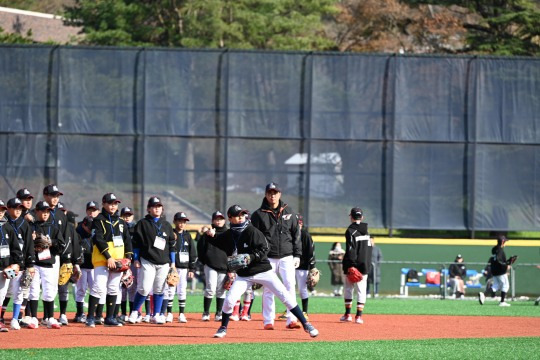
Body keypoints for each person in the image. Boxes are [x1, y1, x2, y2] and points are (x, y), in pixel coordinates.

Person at [205, 204, 318, 339]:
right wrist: (209, 235)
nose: (241, 217)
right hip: (244, 275)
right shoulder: (229, 234)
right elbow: (217, 241)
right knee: (229, 301)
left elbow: (265, 248)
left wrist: (250, 257)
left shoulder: (252, 231)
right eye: (237, 215)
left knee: (285, 295)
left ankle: (306, 324)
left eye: (242, 214)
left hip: (263, 271)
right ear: (230, 218)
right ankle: (223, 327)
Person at [250, 182, 302, 330]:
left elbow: (296, 234)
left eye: (275, 192)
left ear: (280, 194)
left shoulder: (289, 212)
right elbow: (254, 237)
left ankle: (291, 319)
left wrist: (297, 254)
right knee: (268, 288)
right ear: (266, 194)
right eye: (270, 193)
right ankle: (268, 321)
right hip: (268, 257)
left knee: (290, 286)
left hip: (287, 255)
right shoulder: (258, 215)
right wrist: (257, 257)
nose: (273, 195)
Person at [85, 193, 132, 328]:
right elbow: (98, 239)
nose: (113, 206)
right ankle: (90, 318)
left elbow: (127, 241)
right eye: (110, 203)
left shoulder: (121, 222)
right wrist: (108, 257)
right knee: (98, 287)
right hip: (102, 259)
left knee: (113, 289)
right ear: (104, 204)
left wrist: (128, 259)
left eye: (115, 203)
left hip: (118, 261)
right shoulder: (98, 220)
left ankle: (110, 317)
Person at [128, 196, 176, 325]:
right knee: (144, 288)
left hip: (164, 262)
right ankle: (134, 312)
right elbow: (136, 243)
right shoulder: (142, 223)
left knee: (159, 289)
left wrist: (173, 262)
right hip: (147, 260)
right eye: (154, 206)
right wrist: (136, 259)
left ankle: (157, 315)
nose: (157, 208)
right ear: (149, 209)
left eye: (159, 206)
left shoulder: (166, 225)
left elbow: (172, 244)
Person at [28, 200, 65, 329]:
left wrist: (51, 242)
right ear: (37, 211)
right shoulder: (31, 227)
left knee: (49, 292)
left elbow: (61, 246)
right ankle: (33, 317)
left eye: (47, 211)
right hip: (35, 264)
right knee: (33, 291)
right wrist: (32, 241)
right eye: (42, 211)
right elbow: (26, 246)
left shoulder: (54, 228)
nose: (45, 213)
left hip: (49, 263)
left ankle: (49, 317)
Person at [2, 197, 35, 330]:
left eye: (20, 208)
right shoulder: (4, 223)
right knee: (5, 291)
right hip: (6, 264)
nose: (18, 210)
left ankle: (15, 318)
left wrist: (30, 264)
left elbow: (29, 245)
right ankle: (1, 317)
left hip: (18, 265)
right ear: (8, 209)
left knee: (19, 291)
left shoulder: (24, 224)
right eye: (15, 208)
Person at [341, 207, 372, 324]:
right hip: (365, 265)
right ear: (362, 217)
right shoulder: (368, 232)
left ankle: (347, 315)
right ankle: (359, 316)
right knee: (361, 290)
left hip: (352, 264)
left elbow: (351, 250)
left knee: (349, 289)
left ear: (351, 217)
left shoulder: (350, 231)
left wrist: (351, 265)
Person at [197, 211, 228, 322]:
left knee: (221, 290)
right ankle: (206, 312)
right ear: (212, 221)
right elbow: (200, 248)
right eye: (216, 219)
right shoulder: (207, 234)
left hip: (224, 266)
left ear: (224, 220)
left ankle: (219, 313)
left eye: (221, 219)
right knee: (210, 288)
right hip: (210, 265)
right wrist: (205, 261)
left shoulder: (228, 233)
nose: (219, 221)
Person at [168, 211, 197, 323]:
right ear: (175, 222)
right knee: (170, 289)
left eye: (184, 221)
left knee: (182, 290)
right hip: (172, 267)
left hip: (184, 268)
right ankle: (169, 313)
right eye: (180, 221)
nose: (182, 223)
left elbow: (193, 253)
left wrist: (192, 268)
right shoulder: (171, 234)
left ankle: (181, 314)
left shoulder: (187, 236)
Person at [74, 201, 99, 323]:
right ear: (84, 225)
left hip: (95, 266)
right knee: (81, 289)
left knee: (96, 289)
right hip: (83, 266)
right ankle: (79, 314)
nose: (91, 230)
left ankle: (95, 315)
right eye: (89, 227)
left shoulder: (99, 227)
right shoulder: (78, 231)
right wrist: (76, 265)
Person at [0, 199, 23, 332]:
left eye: (2, 210)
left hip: (6, 268)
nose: (1, 212)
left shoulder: (8, 227)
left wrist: (17, 264)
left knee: (2, 295)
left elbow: (16, 249)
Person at [478, 235, 512, 307]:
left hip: (495, 271)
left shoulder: (495, 249)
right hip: (500, 271)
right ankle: (502, 302)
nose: (505, 243)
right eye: (505, 241)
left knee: (496, 286)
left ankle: (483, 295)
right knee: (506, 286)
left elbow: (497, 260)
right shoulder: (500, 250)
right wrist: (506, 265)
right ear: (502, 242)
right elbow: (499, 261)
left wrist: (508, 261)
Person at [295, 214, 315, 318]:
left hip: (302, 266)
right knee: (288, 288)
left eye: (298, 222)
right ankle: (291, 311)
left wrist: (312, 267)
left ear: (301, 223)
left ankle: (304, 312)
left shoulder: (305, 235)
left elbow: (311, 252)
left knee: (302, 289)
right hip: (290, 265)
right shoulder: (290, 234)